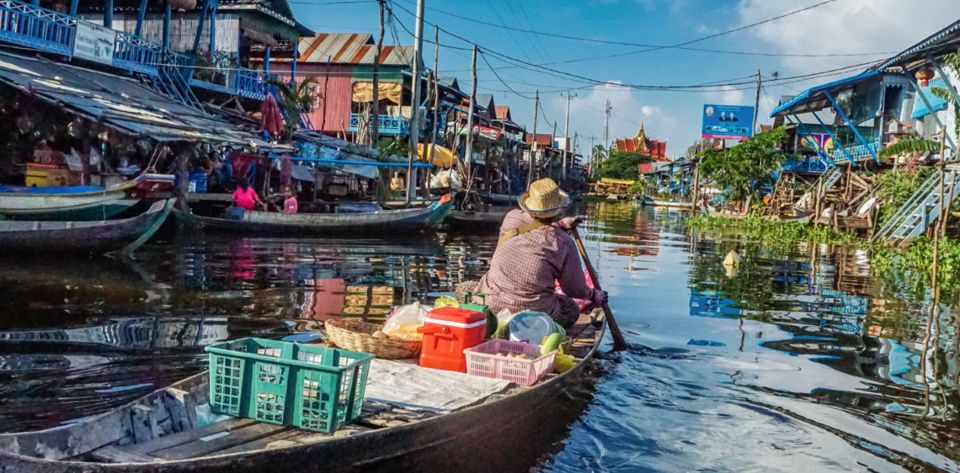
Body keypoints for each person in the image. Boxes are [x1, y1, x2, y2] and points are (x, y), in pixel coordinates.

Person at [458, 178, 607, 329]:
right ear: (558, 209)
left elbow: (532, 226)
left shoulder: (512, 218)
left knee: (464, 289)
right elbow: (574, 289)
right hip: (533, 315)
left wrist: (559, 225)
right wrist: (594, 295)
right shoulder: (564, 242)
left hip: (491, 307)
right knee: (571, 310)